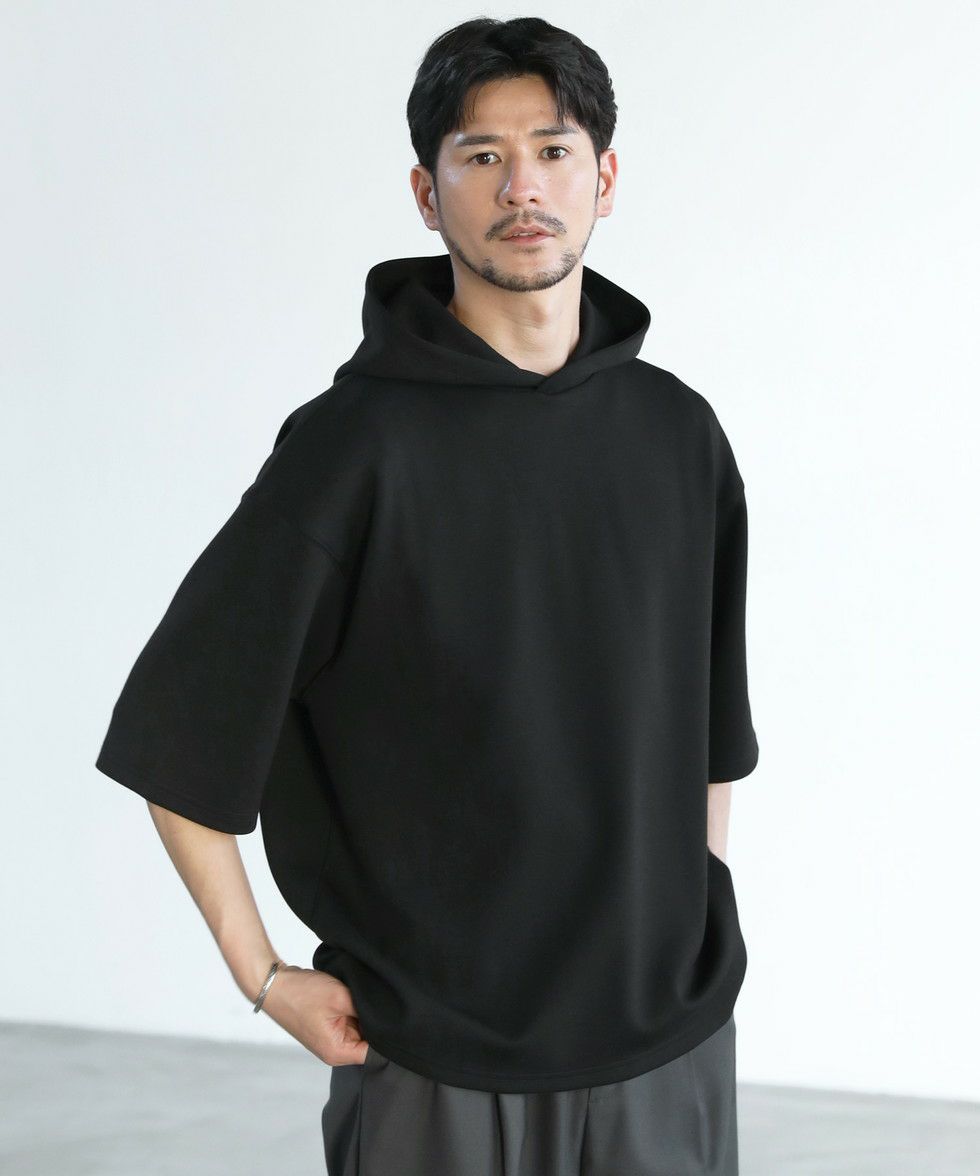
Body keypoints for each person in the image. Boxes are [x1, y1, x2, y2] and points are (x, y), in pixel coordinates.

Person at [95, 16, 759, 1175]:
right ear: (424, 191)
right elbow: (178, 730)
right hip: (437, 1064)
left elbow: (708, 732)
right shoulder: (353, 449)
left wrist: (684, 932)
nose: (521, 187)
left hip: (667, 1053)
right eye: (480, 155)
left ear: (603, 179)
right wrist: (263, 977)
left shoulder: (677, 434)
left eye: (551, 151)